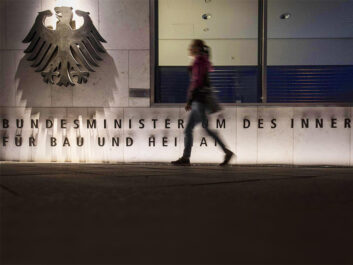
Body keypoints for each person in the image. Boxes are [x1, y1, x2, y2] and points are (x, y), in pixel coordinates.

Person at [172, 39, 234, 166]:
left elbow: (197, 82)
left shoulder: (199, 62)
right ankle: (186, 157)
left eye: (192, 47)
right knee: (190, 129)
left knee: (204, 128)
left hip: (199, 100)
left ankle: (226, 152)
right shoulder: (202, 61)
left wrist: (189, 100)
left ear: (197, 48)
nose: (189, 49)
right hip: (199, 100)